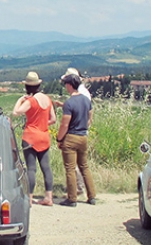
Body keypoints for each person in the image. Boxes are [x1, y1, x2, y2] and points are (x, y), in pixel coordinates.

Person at [12, 72, 56, 206]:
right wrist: (42, 124)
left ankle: (29, 198)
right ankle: (49, 197)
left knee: (31, 169)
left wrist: (20, 100)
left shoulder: (30, 101)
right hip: (44, 136)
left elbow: (16, 112)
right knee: (46, 168)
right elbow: (53, 119)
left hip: (30, 136)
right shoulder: (47, 99)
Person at [55, 73, 97, 207]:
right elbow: (90, 118)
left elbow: (65, 124)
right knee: (84, 166)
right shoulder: (86, 100)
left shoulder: (69, 103)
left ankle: (72, 198)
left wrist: (59, 138)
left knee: (70, 168)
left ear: (69, 85)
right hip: (83, 136)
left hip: (71, 137)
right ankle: (92, 196)